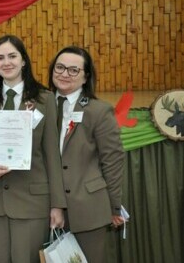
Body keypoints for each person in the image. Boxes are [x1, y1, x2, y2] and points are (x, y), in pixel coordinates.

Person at [0, 35, 66, 263]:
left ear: (23, 60)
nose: (6, 62)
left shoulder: (45, 99)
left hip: (32, 200)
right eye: (0, 58)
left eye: (12, 56)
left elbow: (52, 154)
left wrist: (57, 205)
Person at [48, 46, 125, 263]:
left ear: (85, 77)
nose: (64, 74)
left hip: (88, 209)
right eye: (60, 67)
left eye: (73, 70)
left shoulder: (98, 111)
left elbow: (113, 160)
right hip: (42, 207)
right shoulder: (37, 107)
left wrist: (114, 207)